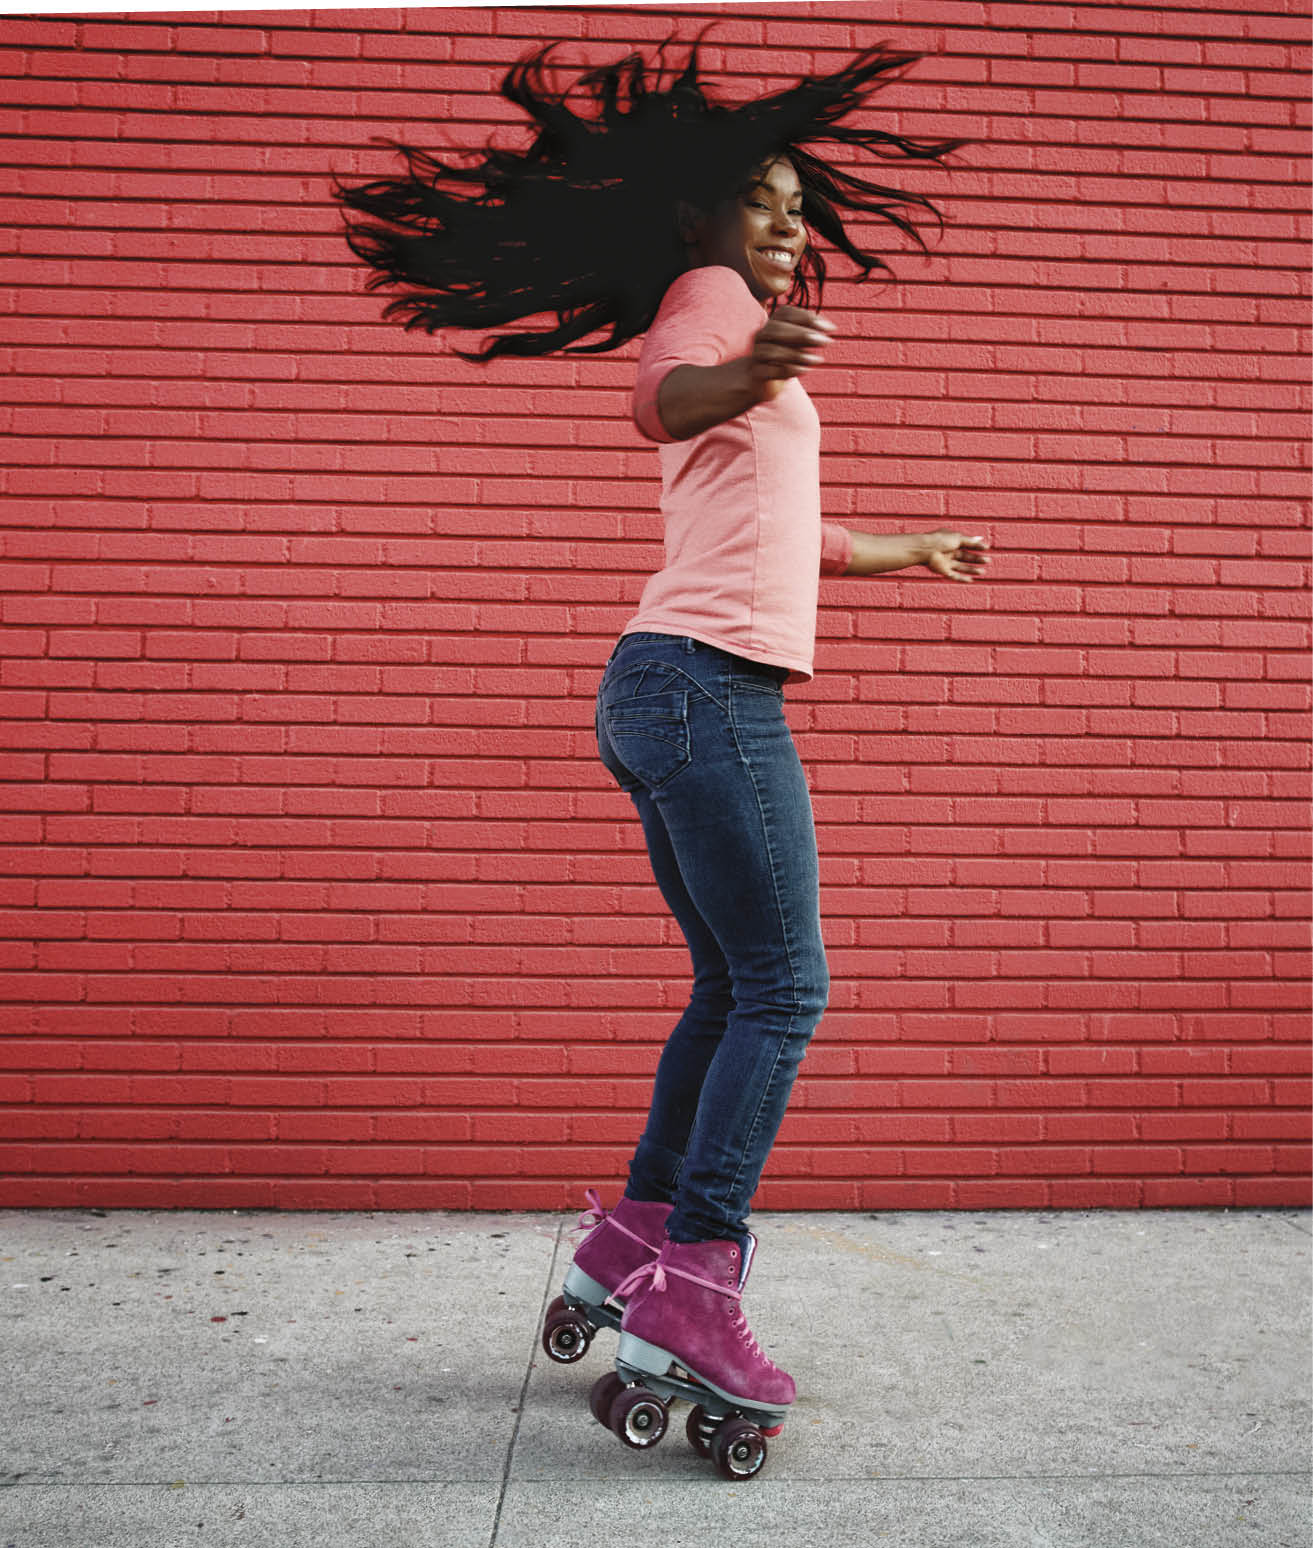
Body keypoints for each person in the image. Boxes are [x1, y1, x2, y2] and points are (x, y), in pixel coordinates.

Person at [335, 34, 988, 1435]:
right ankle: (694, 1278)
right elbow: (658, 405)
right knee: (785, 990)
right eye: (764, 199)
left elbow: (783, 533)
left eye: (800, 207)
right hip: (702, 690)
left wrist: (903, 547)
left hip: (666, 686)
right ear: (697, 217)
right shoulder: (707, 309)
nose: (789, 223)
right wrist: (748, 379)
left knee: (727, 986)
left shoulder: (740, 327)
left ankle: (635, 1246)